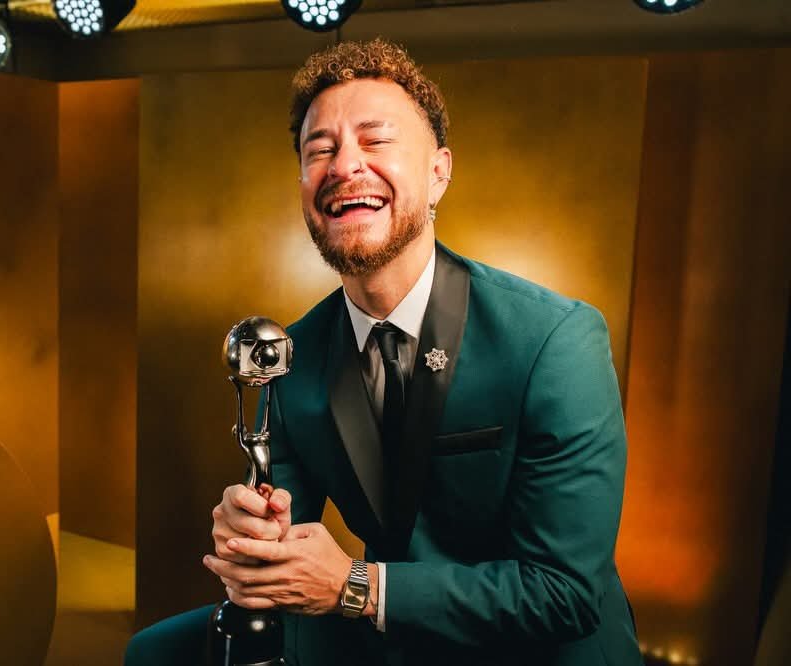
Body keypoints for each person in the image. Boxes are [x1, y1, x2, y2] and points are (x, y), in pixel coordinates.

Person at [126, 38, 642, 666]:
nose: (345, 165)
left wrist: (357, 586)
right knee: (155, 653)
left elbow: (564, 594)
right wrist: (254, 538)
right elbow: (283, 550)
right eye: (321, 150)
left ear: (438, 173)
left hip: (536, 644)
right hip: (390, 630)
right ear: (304, 186)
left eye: (375, 140)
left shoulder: (557, 340)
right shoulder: (291, 356)